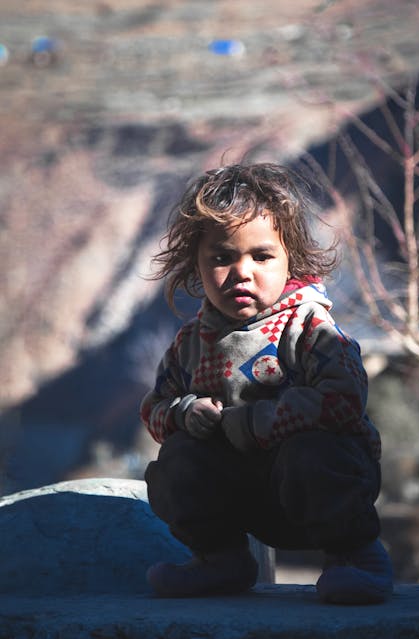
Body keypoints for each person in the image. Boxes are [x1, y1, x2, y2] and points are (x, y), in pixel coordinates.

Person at [140, 162, 393, 604]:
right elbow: (154, 409)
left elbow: (345, 399)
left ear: (289, 257)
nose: (242, 272)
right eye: (221, 258)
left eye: (261, 256)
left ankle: (355, 558)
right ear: (195, 267)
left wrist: (257, 422)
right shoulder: (191, 343)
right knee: (179, 457)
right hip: (245, 498)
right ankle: (220, 560)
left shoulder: (310, 327)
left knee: (313, 452)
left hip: (321, 492)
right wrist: (184, 413)